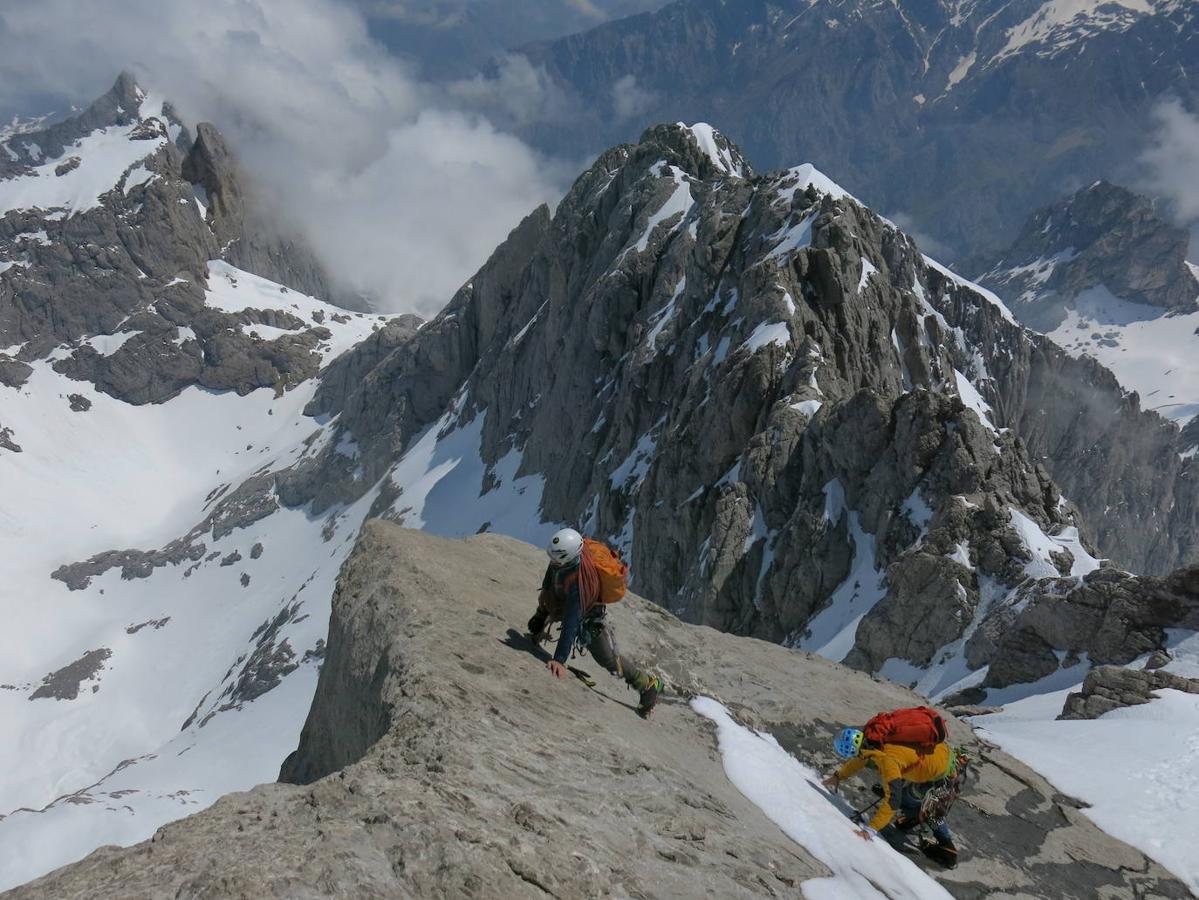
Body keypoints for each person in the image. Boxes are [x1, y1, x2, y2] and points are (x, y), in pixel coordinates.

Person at [527, 528, 663, 718]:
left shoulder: (579, 583)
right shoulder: (562, 560)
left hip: (589, 617)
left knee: (606, 659)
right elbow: (549, 584)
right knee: (550, 601)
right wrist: (541, 615)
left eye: (556, 559)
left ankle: (647, 684)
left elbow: (571, 623)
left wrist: (559, 660)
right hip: (565, 600)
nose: (553, 561)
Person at [821, 726, 959, 868]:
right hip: (937, 753)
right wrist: (838, 776)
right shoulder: (875, 738)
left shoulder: (888, 760)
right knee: (909, 799)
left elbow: (893, 799)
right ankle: (913, 814)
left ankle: (947, 847)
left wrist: (870, 829)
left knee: (928, 809)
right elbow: (862, 758)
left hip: (944, 772)